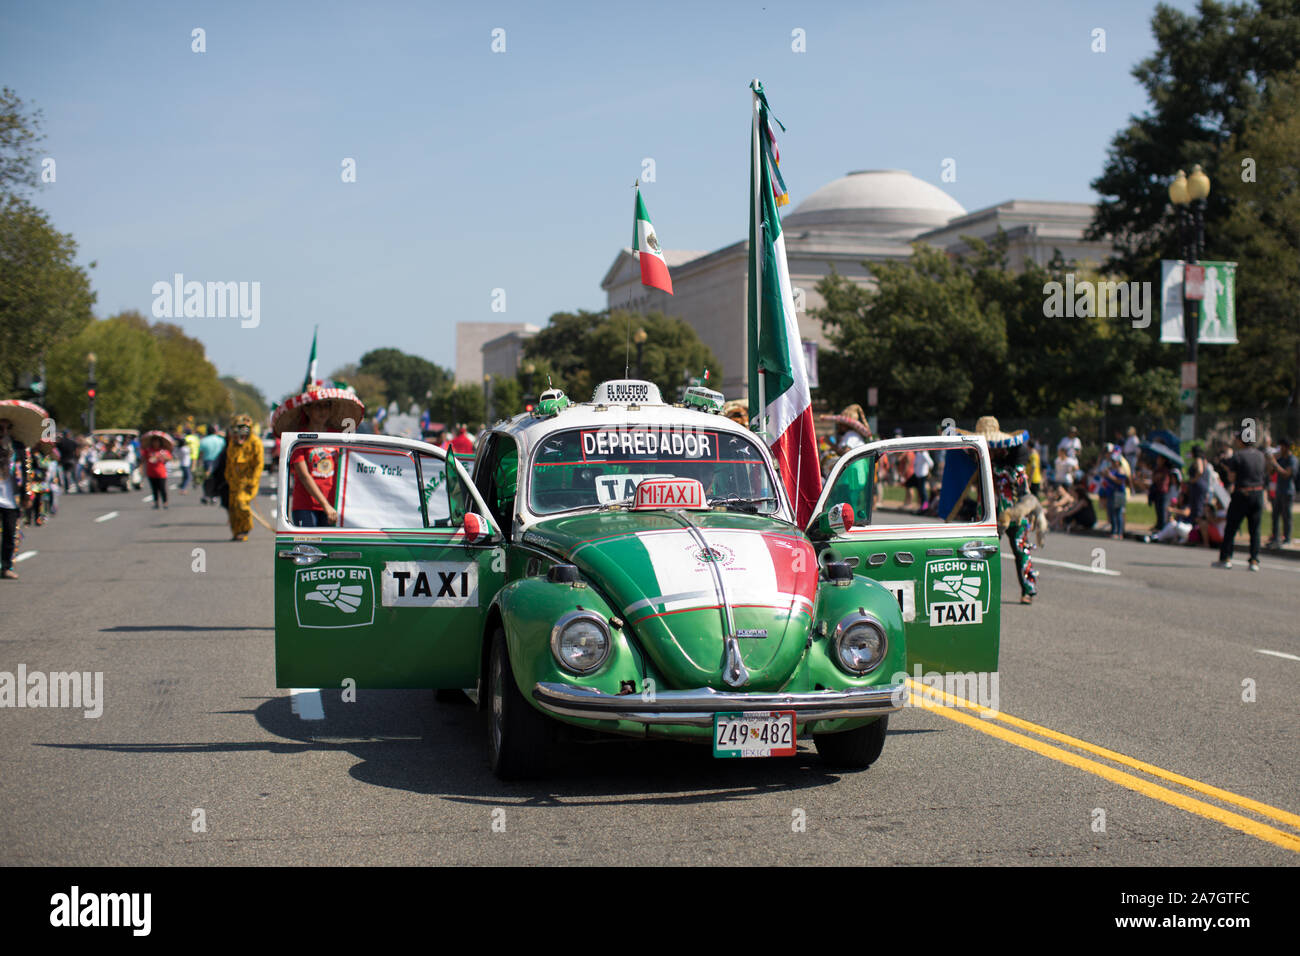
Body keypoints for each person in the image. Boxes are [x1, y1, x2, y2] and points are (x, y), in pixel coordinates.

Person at [976, 417, 1037, 604]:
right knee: (981, 552)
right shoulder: (975, 453)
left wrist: (994, 466)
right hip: (987, 513)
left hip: (1015, 511)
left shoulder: (1017, 451)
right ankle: (981, 592)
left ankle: (1028, 590)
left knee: (1021, 549)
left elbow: (1017, 477)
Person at [1214, 431, 1267, 569]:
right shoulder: (1261, 455)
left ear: (1241, 441)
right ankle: (1254, 560)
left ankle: (1225, 558)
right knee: (1255, 529)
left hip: (1242, 494)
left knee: (1231, 527)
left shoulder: (1238, 455)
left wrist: (1227, 467)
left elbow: (1232, 477)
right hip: (1258, 494)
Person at [290, 401, 340, 527]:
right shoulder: (299, 438)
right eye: (318, 407)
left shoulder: (338, 436)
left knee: (329, 547)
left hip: (333, 506)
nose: (323, 411)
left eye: (326, 406)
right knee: (307, 546)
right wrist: (325, 506)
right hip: (305, 506)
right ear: (307, 410)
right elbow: (304, 475)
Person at [223, 415, 263, 541]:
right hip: (234, 482)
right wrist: (228, 477)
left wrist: (253, 480)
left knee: (242, 505)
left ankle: (245, 528)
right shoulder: (232, 443)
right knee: (233, 508)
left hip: (248, 482)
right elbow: (229, 463)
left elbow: (259, 464)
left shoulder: (255, 442)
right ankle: (237, 532)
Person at [0, 417, 28, 579]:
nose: (3, 432)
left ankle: (6, 566)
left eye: (6, 428)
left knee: (10, 534)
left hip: (11, 498)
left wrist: (26, 494)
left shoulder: (18, 448)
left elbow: (25, 472)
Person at [1266, 436, 1295, 547]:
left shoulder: (1292, 460)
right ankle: (1275, 538)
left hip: (1287, 492)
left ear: (1286, 447)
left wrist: (1275, 463)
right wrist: (1271, 462)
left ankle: (1287, 539)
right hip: (1278, 491)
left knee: (1286, 516)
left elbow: (1286, 474)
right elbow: (1271, 472)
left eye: (1282, 447)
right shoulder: (1281, 459)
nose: (1280, 449)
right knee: (1275, 515)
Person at [1099, 446, 1133, 539]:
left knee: (1118, 513)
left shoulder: (1120, 469)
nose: (1112, 462)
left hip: (1118, 493)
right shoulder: (1110, 469)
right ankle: (1113, 530)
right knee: (1111, 512)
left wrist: (1110, 476)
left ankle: (1119, 532)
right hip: (1110, 493)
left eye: (1114, 461)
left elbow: (1120, 481)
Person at [198, 426, 225, 504]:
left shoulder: (203, 441)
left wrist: (199, 463)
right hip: (219, 462)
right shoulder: (220, 440)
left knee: (207, 479)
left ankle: (206, 495)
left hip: (207, 461)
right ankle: (214, 496)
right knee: (217, 479)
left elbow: (201, 453)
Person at [144, 436, 172, 510]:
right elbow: (144, 458)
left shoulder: (163, 451)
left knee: (162, 488)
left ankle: (165, 502)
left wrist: (163, 456)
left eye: (157, 442)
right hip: (151, 472)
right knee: (154, 489)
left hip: (161, 472)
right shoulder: (149, 450)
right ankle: (156, 503)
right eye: (154, 442)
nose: (155, 443)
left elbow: (169, 458)